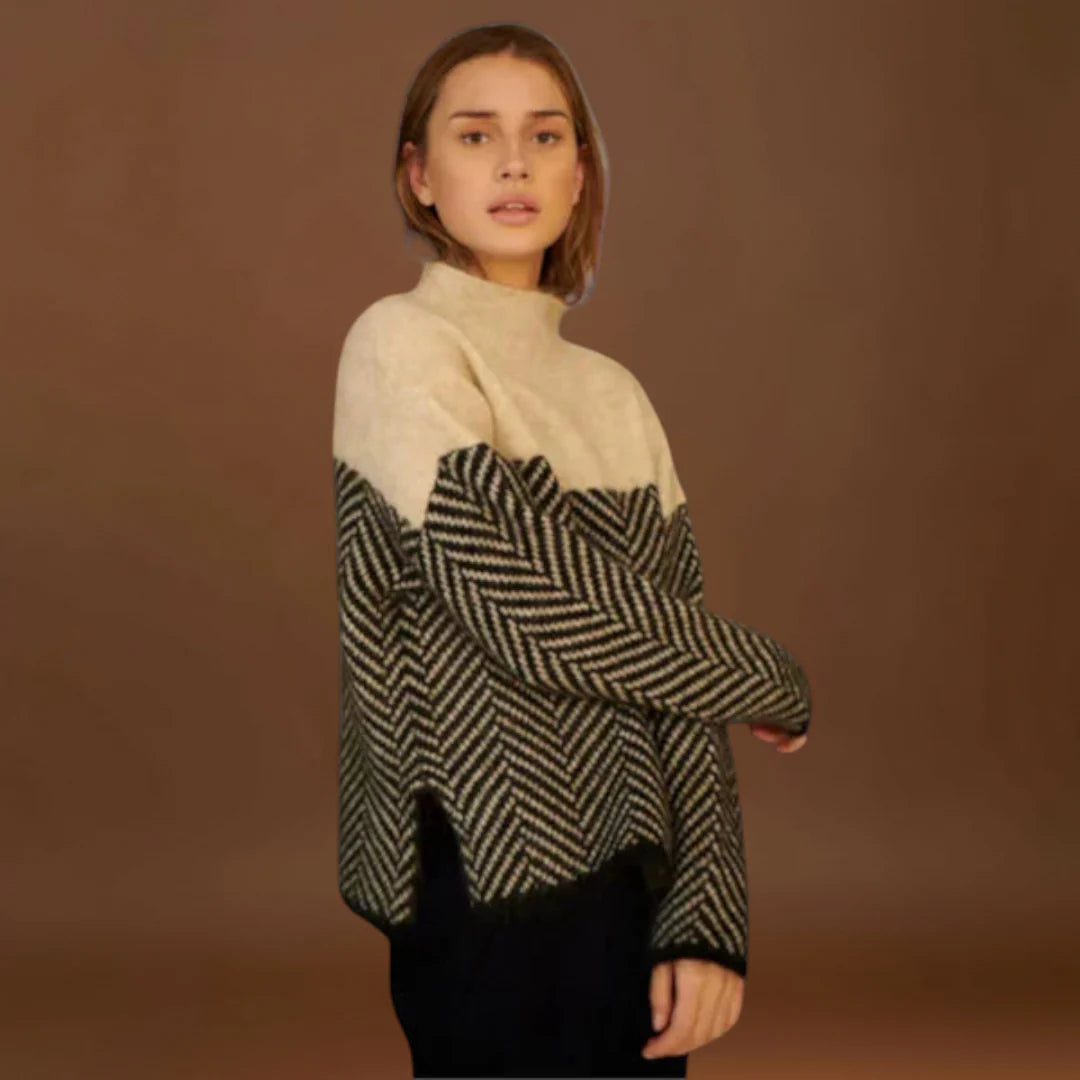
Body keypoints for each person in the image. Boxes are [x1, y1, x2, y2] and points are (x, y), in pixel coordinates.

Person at [331, 21, 811, 1079]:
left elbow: (670, 670)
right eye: (475, 135)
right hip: (483, 874)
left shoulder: (615, 398)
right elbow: (527, 603)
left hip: (634, 881)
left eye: (545, 136)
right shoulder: (399, 346)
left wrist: (707, 916)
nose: (514, 163)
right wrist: (764, 671)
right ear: (419, 176)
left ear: (580, 173)